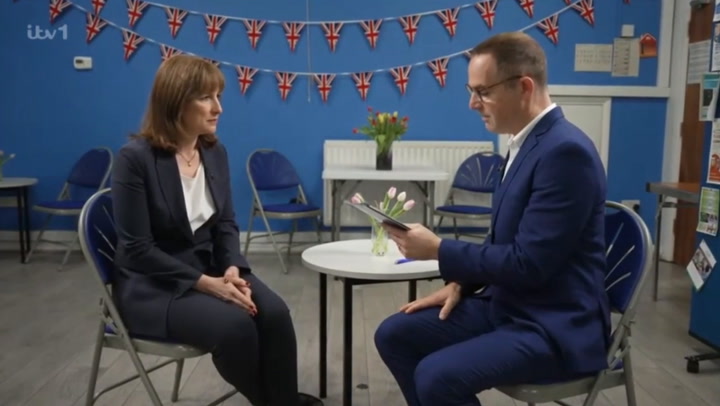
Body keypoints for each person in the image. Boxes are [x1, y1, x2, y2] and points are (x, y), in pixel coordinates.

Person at [374, 32, 611, 406]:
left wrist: (439, 249)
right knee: (394, 335)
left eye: (483, 92)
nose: (473, 104)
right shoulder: (523, 143)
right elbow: (503, 242)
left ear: (524, 87)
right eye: (471, 91)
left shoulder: (566, 152)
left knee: (437, 376)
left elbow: (529, 264)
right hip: (509, 305)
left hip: (553, 325)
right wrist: (461, 284)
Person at [111, 55, 323, 406]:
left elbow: (225, 224)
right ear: (176, 101)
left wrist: (232, 268)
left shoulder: (213, 151)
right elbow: (138, 250)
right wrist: (207, 285)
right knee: (235, 327)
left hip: (210, 268)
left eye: (219, 97)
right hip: (154, 287)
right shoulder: (135, 159)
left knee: (275, 314)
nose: (218, 108)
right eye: (206, 98)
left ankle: (282, 401)